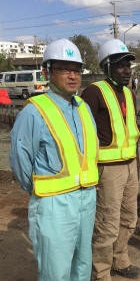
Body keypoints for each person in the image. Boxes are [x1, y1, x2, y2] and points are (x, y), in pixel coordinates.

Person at [9, 39, 98, 280]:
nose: (73, 76)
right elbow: (20, 161)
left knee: (82, 265)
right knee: (55, 271)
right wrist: (41, 191)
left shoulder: (83, 107)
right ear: (47, 72)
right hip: (54, 204)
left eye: (77, 70)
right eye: (64, 69)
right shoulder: (34, 111)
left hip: (86, 198)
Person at [81, 39, 140, 280]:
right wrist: (90, 173)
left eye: (128, 65)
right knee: (107, 223)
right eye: (120, 65)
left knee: (129, 218)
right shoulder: (94, 92)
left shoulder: (129, 93)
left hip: (130, 166)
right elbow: (84, 135)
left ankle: (120, 259)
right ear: (106, 67)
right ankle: (101, 271)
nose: (126, 69)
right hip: (107, 170)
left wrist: (136, 164)